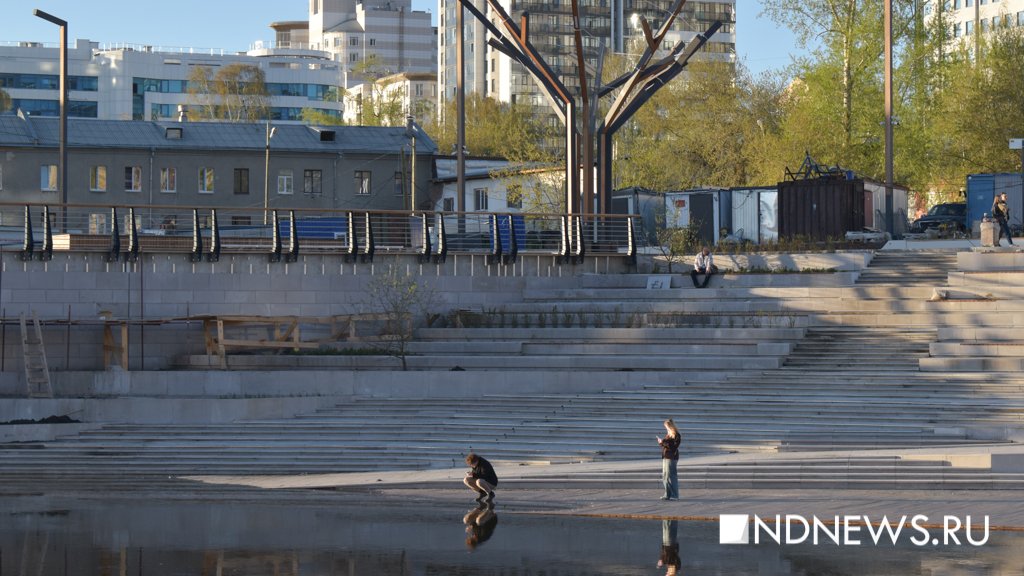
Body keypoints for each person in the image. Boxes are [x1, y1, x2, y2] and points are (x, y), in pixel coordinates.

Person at [656, 419, 681, 500]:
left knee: (672, 476)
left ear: (670, 426)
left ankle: (675, 495)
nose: (666, 428)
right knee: (665, 476)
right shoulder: (668, 435)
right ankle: (667, 494)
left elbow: (673, 447)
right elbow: (666, 445)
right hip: (665, 456)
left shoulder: (676, 435)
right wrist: (661, 443)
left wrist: (663, 442)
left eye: (666, 427)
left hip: (671, 457)